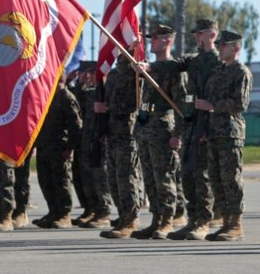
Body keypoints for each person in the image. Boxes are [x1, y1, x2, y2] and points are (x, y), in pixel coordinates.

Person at [196, 30, 252, 241]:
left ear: (236, 48)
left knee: (231, 178)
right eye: (219, 45)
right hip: (213, 132)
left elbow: (240, 103)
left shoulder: (241, 72)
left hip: (230, 132)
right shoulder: (217, 72)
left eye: (224, 45)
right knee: (217, 179)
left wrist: (212, 106)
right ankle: (225, 220)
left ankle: (236, 224)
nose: (220, 48)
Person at [132, 24, 185, 240]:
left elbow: (182, 105)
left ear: (168, 41)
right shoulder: (149, 68)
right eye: (150, 37)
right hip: (146, 125)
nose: (151, 41)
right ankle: (156, 218)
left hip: (163, 125)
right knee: (150, 177)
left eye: (156, 38)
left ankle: (167, 220)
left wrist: (178, 134)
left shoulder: (174, 70)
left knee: (164, 175)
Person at [169, 18, 220, 240]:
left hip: (207, 125)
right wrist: (148, 66)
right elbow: (173, 65)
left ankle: (204, 222)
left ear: (212, 35)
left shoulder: (219, 62)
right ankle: (192, 220)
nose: (197, 38)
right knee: (188, 175)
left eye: (200, 34)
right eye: (195, 34)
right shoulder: (194, 61)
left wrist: (209, 128)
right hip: (190, 124)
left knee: (202, 176)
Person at [99, 42, 146, 239]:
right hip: (112, 131)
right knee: (113, 178)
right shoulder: (115, 72)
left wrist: (139, 72)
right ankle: (122, 216)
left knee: (126, 178)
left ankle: (131, 219)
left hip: (128, 132)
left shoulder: (137, 70)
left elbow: (138, 101)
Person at [34, 80, 82, 228]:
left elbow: (76, 125)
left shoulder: (66, 97)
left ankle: (64, 214)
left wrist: (70, 148)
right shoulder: (45, 95)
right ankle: (53, 211)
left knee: (61, 181)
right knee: (45, 180)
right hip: (44, 145)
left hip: (59, 147)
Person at [73, 61, 114, 228]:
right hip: (88, 141)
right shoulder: (91, 93)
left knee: (100, 178)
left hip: (101, 141)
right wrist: (80, 82)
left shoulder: (106, 93)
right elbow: (77, 97)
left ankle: (104, 212)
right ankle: (93, 209)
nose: (89, 76)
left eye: (91, 73)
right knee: (88, 178)